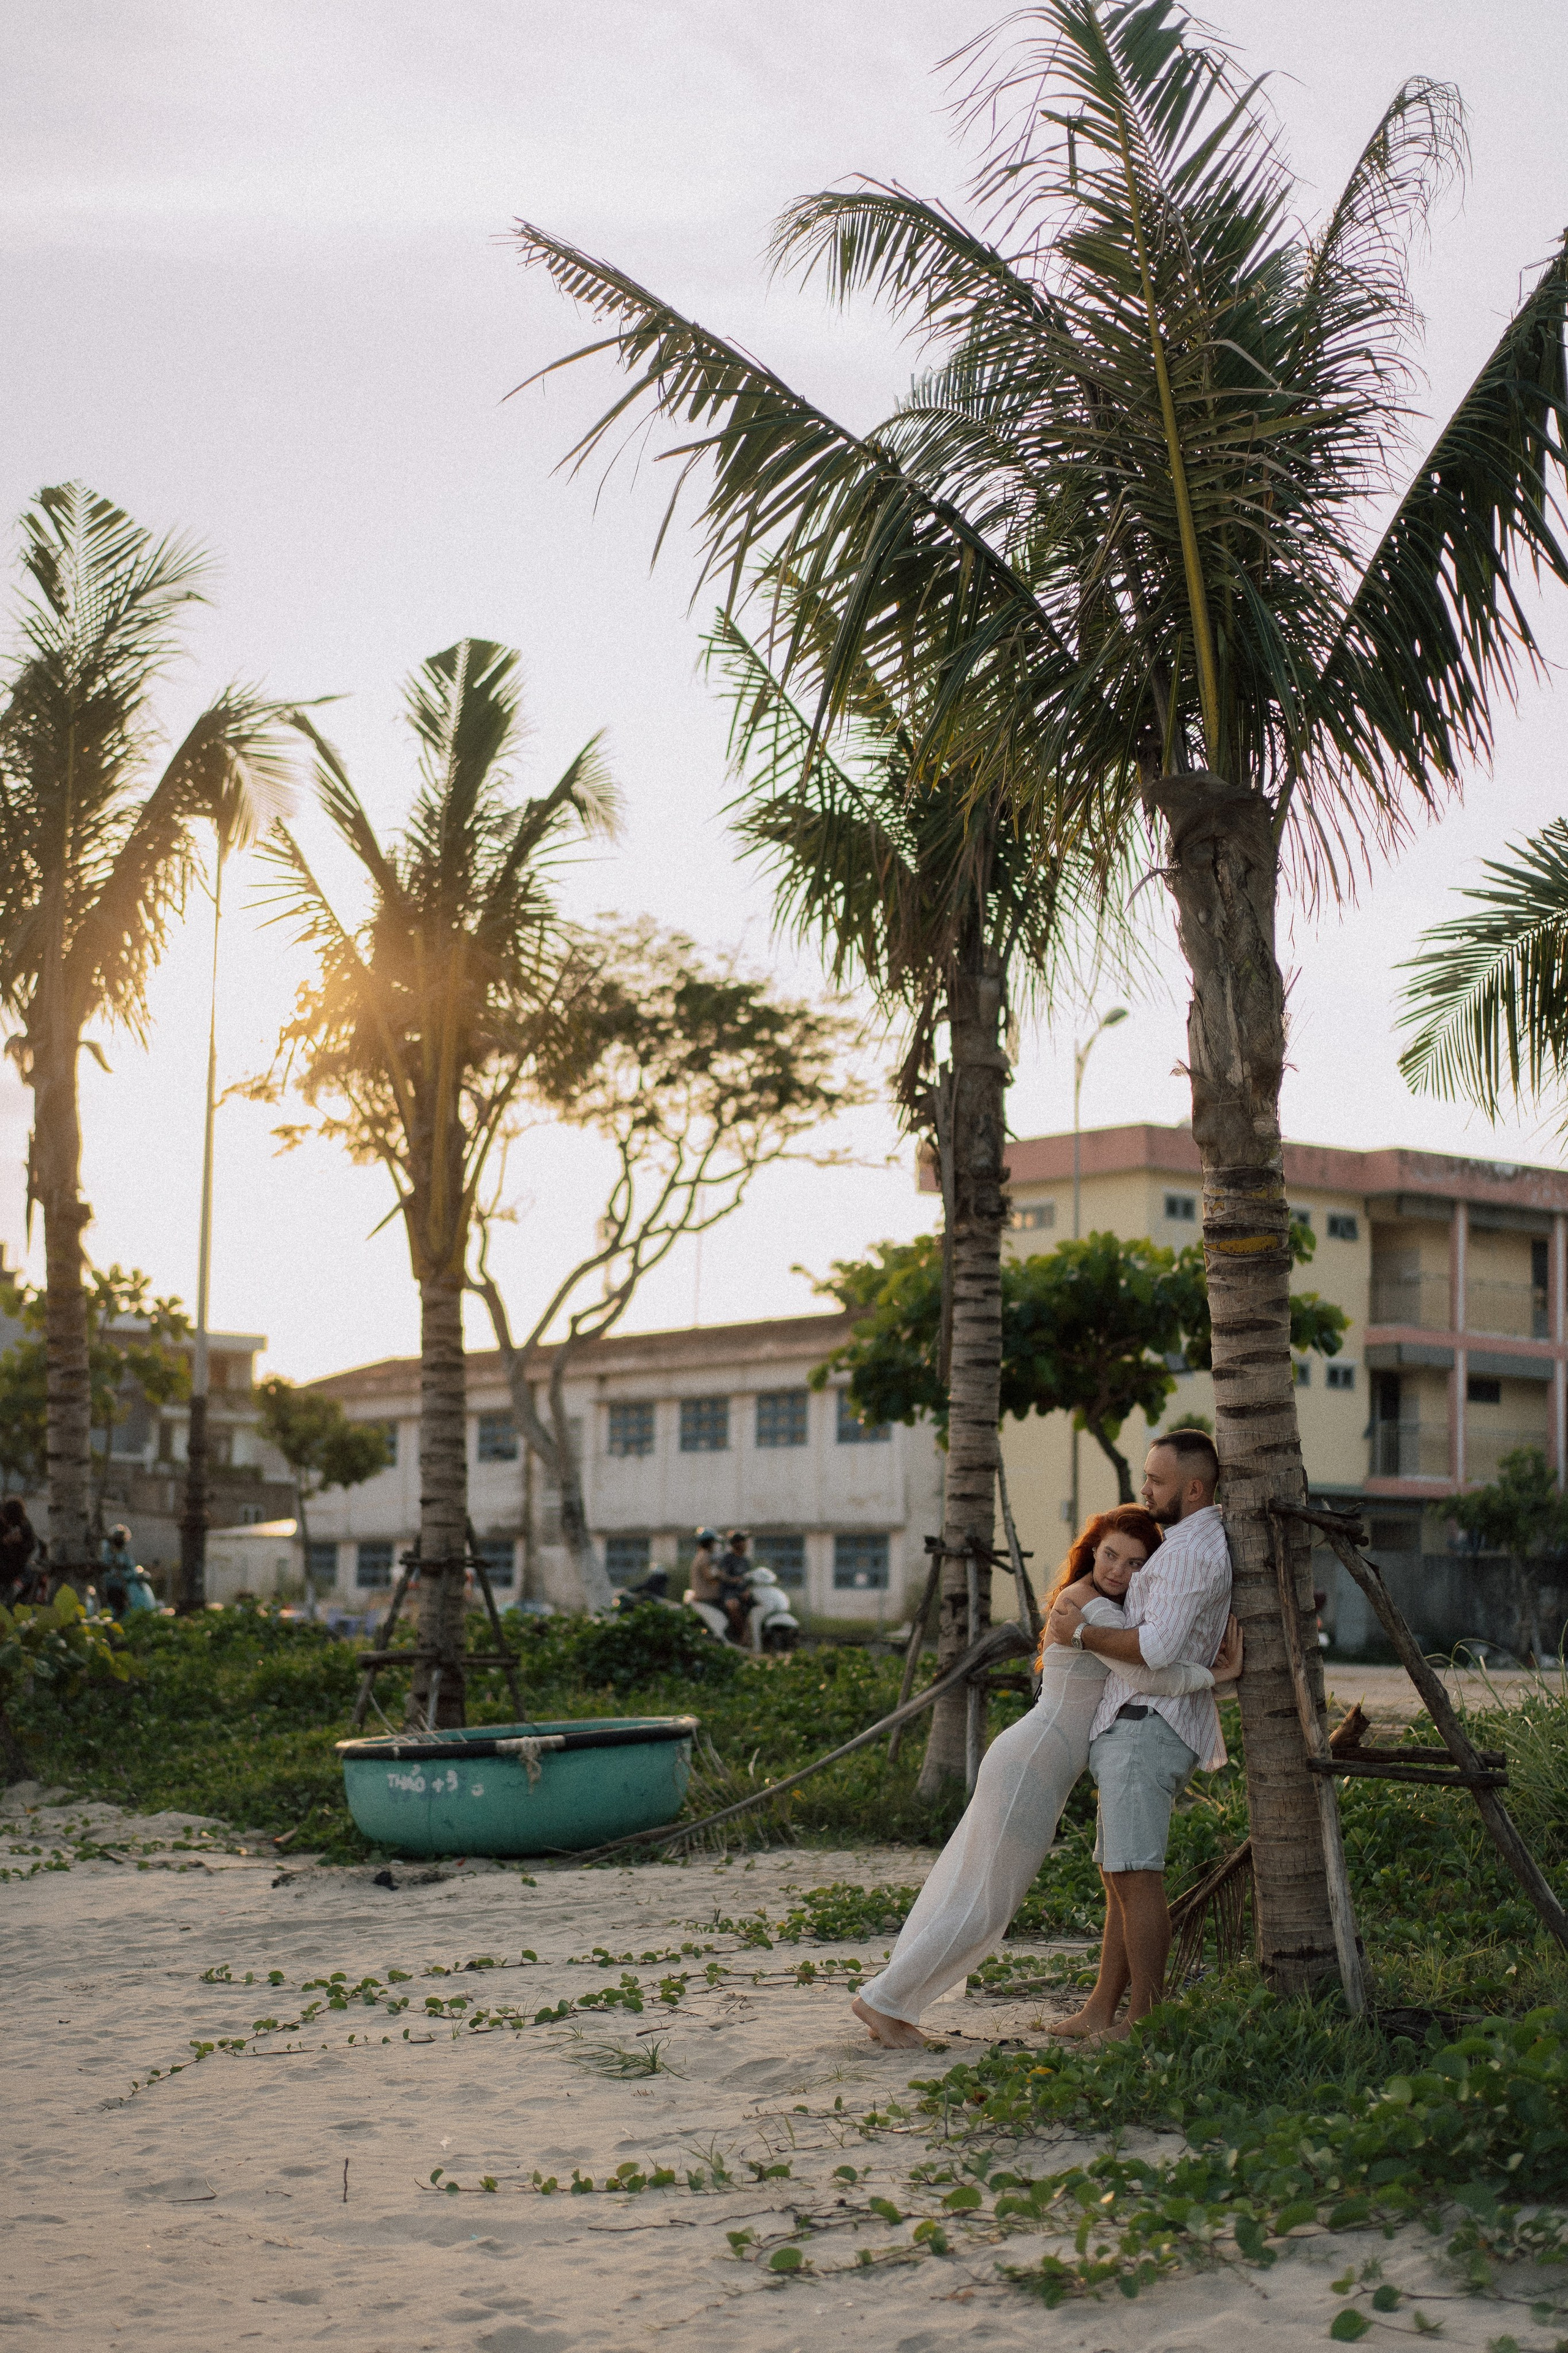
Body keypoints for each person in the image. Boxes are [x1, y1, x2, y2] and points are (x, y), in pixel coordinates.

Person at [850, 1497, 1241, 2048]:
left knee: (967, 1885)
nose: (1118, 1571)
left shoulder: (1096, 1608)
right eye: (1110, 1554)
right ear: (1091, 1550)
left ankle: (889, 1999)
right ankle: (885, 2004)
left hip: (1032, 1760)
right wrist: (1218, 1673)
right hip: (1032, 1763)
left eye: (1134, 1564)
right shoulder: (1092, 1614)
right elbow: (1152, 1677)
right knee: (986, 1899)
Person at [1046, 1427, 1232, 2042]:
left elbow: (1153, 1649)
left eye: (1157, 1479)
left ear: (1195, 1487)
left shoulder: (1186, 1554)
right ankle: (1102, 2006)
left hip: (1147, 1728)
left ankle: (1144, 2018)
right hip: (1135, 1727)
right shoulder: (1180, 1544)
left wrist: (1079, 1633)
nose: (1144, 1488)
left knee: (1136, 1875)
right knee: (1118, 1876)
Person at [0, 1498, 40, 1607]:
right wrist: (3, 1541)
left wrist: (20, 1542)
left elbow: (30, 1545)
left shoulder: (22, 1524)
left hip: (11, 1572)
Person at [100, 1525, 136, 1622]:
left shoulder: (125, 1555)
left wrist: (122, 1575)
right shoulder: (106, 1554)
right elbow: (102, 1570)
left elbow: (132, 1571)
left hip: (121, 1588)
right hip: (106, 1588)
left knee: (122, 1611)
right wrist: (112, 1574)